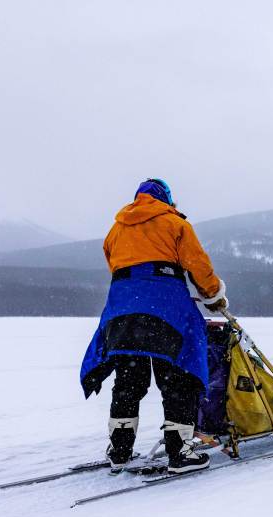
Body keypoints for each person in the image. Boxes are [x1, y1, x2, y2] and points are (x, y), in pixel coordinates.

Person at [80, 179, 228, 474]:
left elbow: (115, 264)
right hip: (167, 316)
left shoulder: (117, 228)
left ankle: (120, 450)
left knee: (128, 382)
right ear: (166, 199)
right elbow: (197, 265)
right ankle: (180, 452)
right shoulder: (175, 224)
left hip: (121, 315)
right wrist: (214, 296)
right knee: (178, 380)